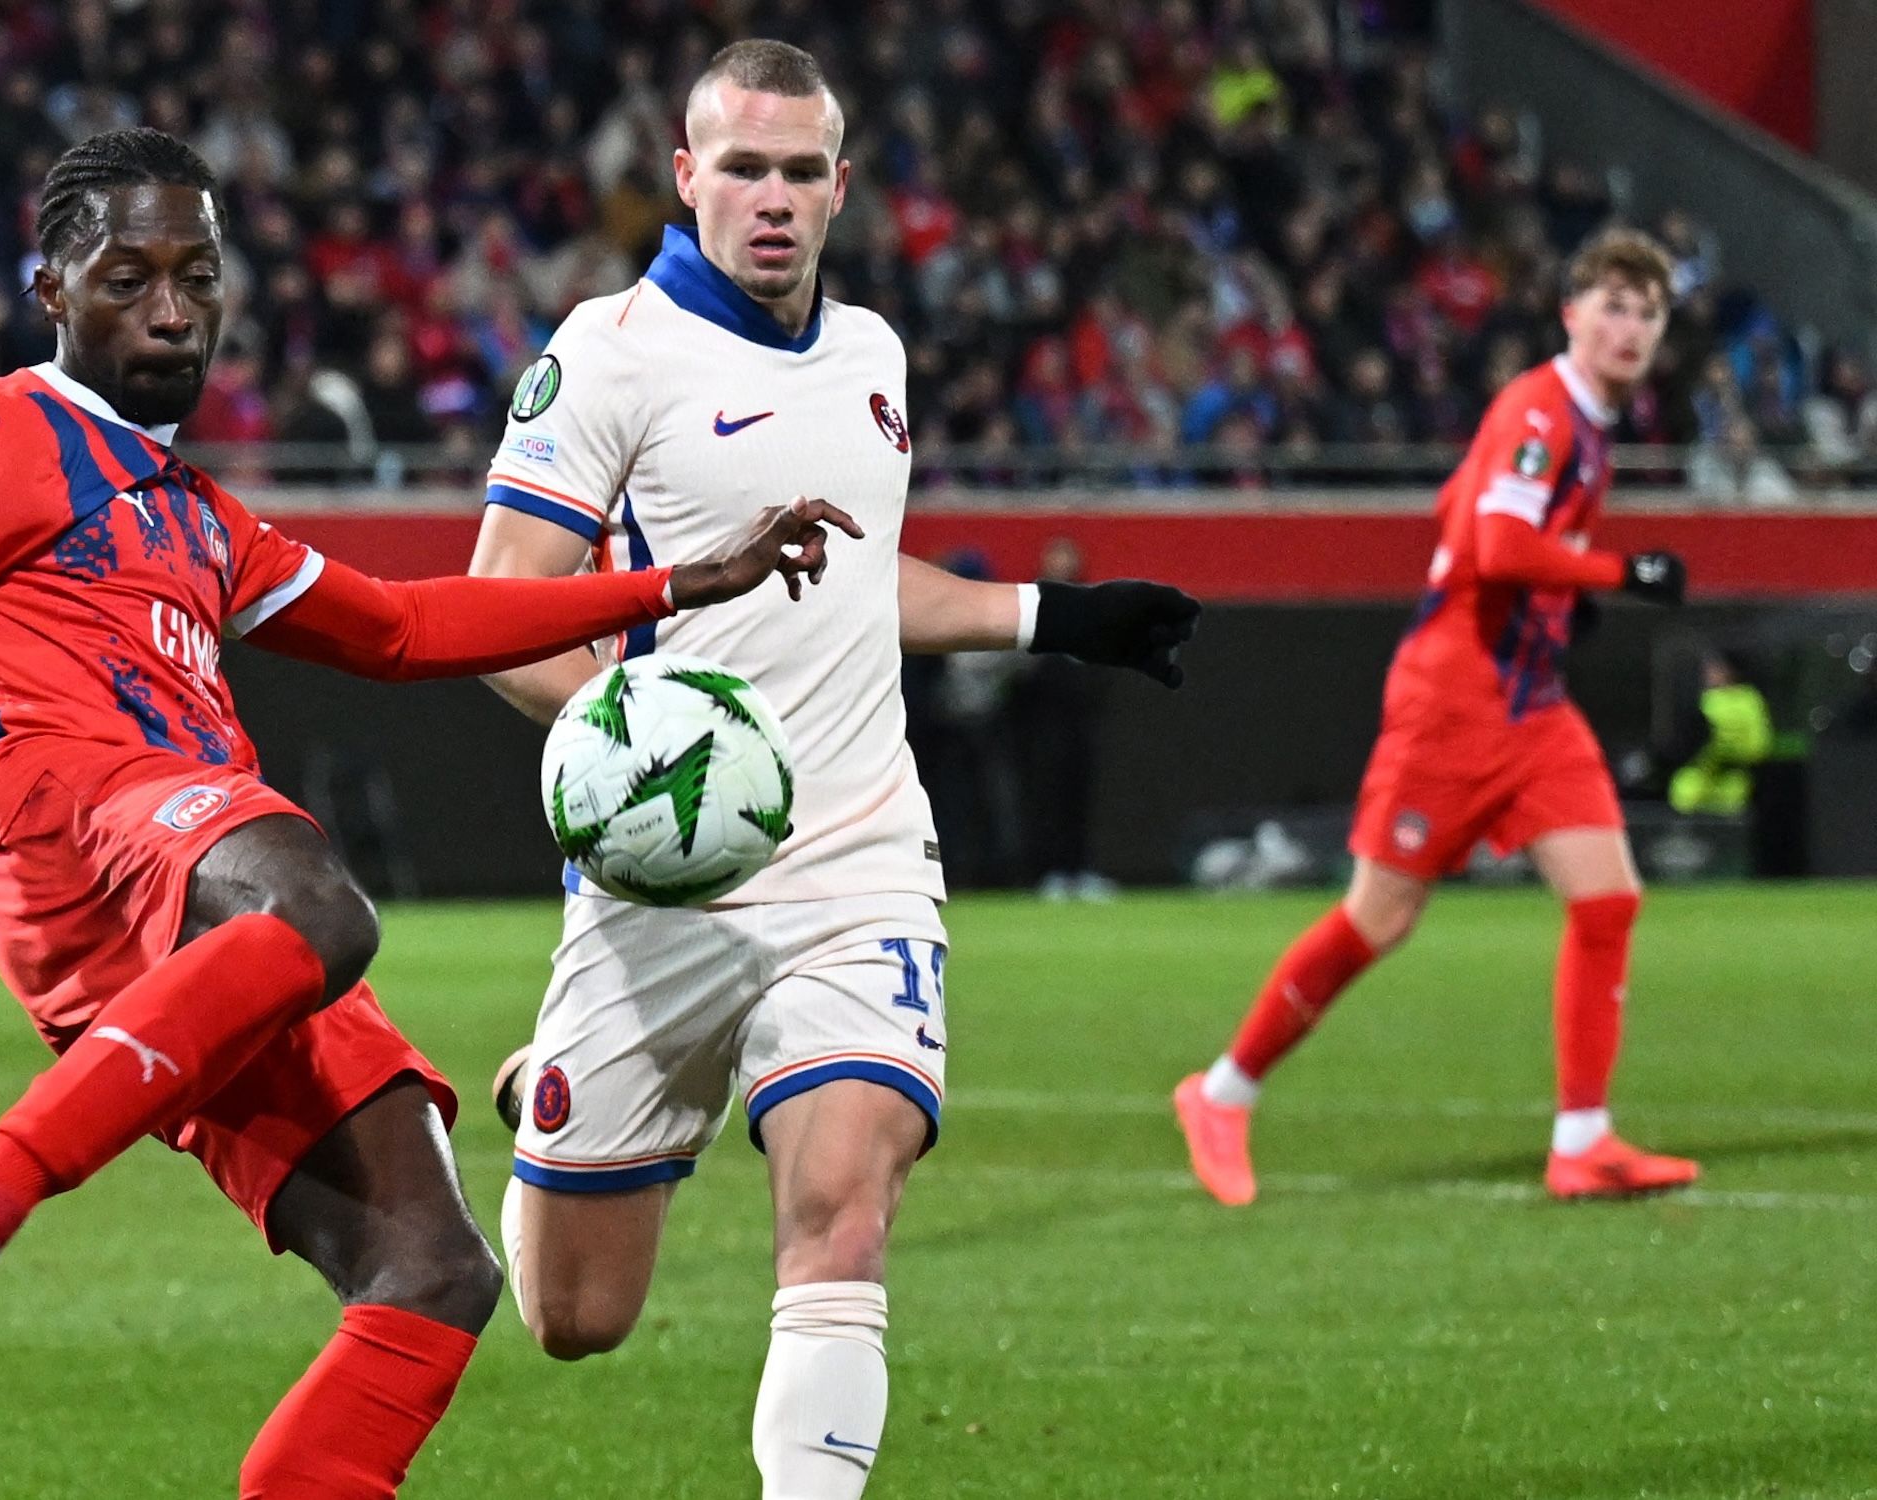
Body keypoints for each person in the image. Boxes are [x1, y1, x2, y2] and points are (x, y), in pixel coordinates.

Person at [0, 128, 852, 1497]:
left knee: (430, 1270)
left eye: (198, 273)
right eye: (129, 276)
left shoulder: (200, 514)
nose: (173, 306)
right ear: (51, 289)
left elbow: (411, 628)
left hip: (194, 893)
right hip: (82, 834)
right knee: (318, 902)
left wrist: (673, 585)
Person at [466, 44, 1201, 1499]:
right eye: (743, 168)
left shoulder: (872, 357)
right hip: (666, 878)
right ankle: (553, 1080)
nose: (774, 199)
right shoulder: (611, 354)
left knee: (844, 1201)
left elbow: (859, 590)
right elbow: (500, 610)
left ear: (843, 187)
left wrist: (1055, 621)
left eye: (803, 172)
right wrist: (642, 740)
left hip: (859, 853)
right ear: (686, 178)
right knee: (574, 1319)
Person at [1174, 229, 1698, 1206]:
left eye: (1648, 312)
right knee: (1381, 916)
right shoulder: (1543, 411)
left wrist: (1556, 600)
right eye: (1613, 306)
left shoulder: (1580, 421)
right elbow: (1500, 544)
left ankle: (1583, 1142)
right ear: (1571, 315)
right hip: (1455, 698)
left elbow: (1465, 506)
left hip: (1529, 700)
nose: (1630, 327)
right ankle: (1220, 1091)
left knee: (1608, 897)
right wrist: (1617, 575)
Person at [1012, 536, 1116, 901]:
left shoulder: (1090, 608)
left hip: (1080, 724)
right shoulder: (1031, 606)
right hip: (1043, 725)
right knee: (1046, 799)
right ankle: (1049, 872)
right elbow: (1017, 670)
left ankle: (1080, 870)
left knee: (1080, 799)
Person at [1667, 649, 1771, 816]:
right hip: (1696, 788)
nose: (1709, 674)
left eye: (1715, 669)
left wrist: (1722, 751)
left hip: (1729, 790)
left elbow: (1758, 747)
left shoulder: (1747, 702)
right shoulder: (1706, 700)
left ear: (1729, 671)